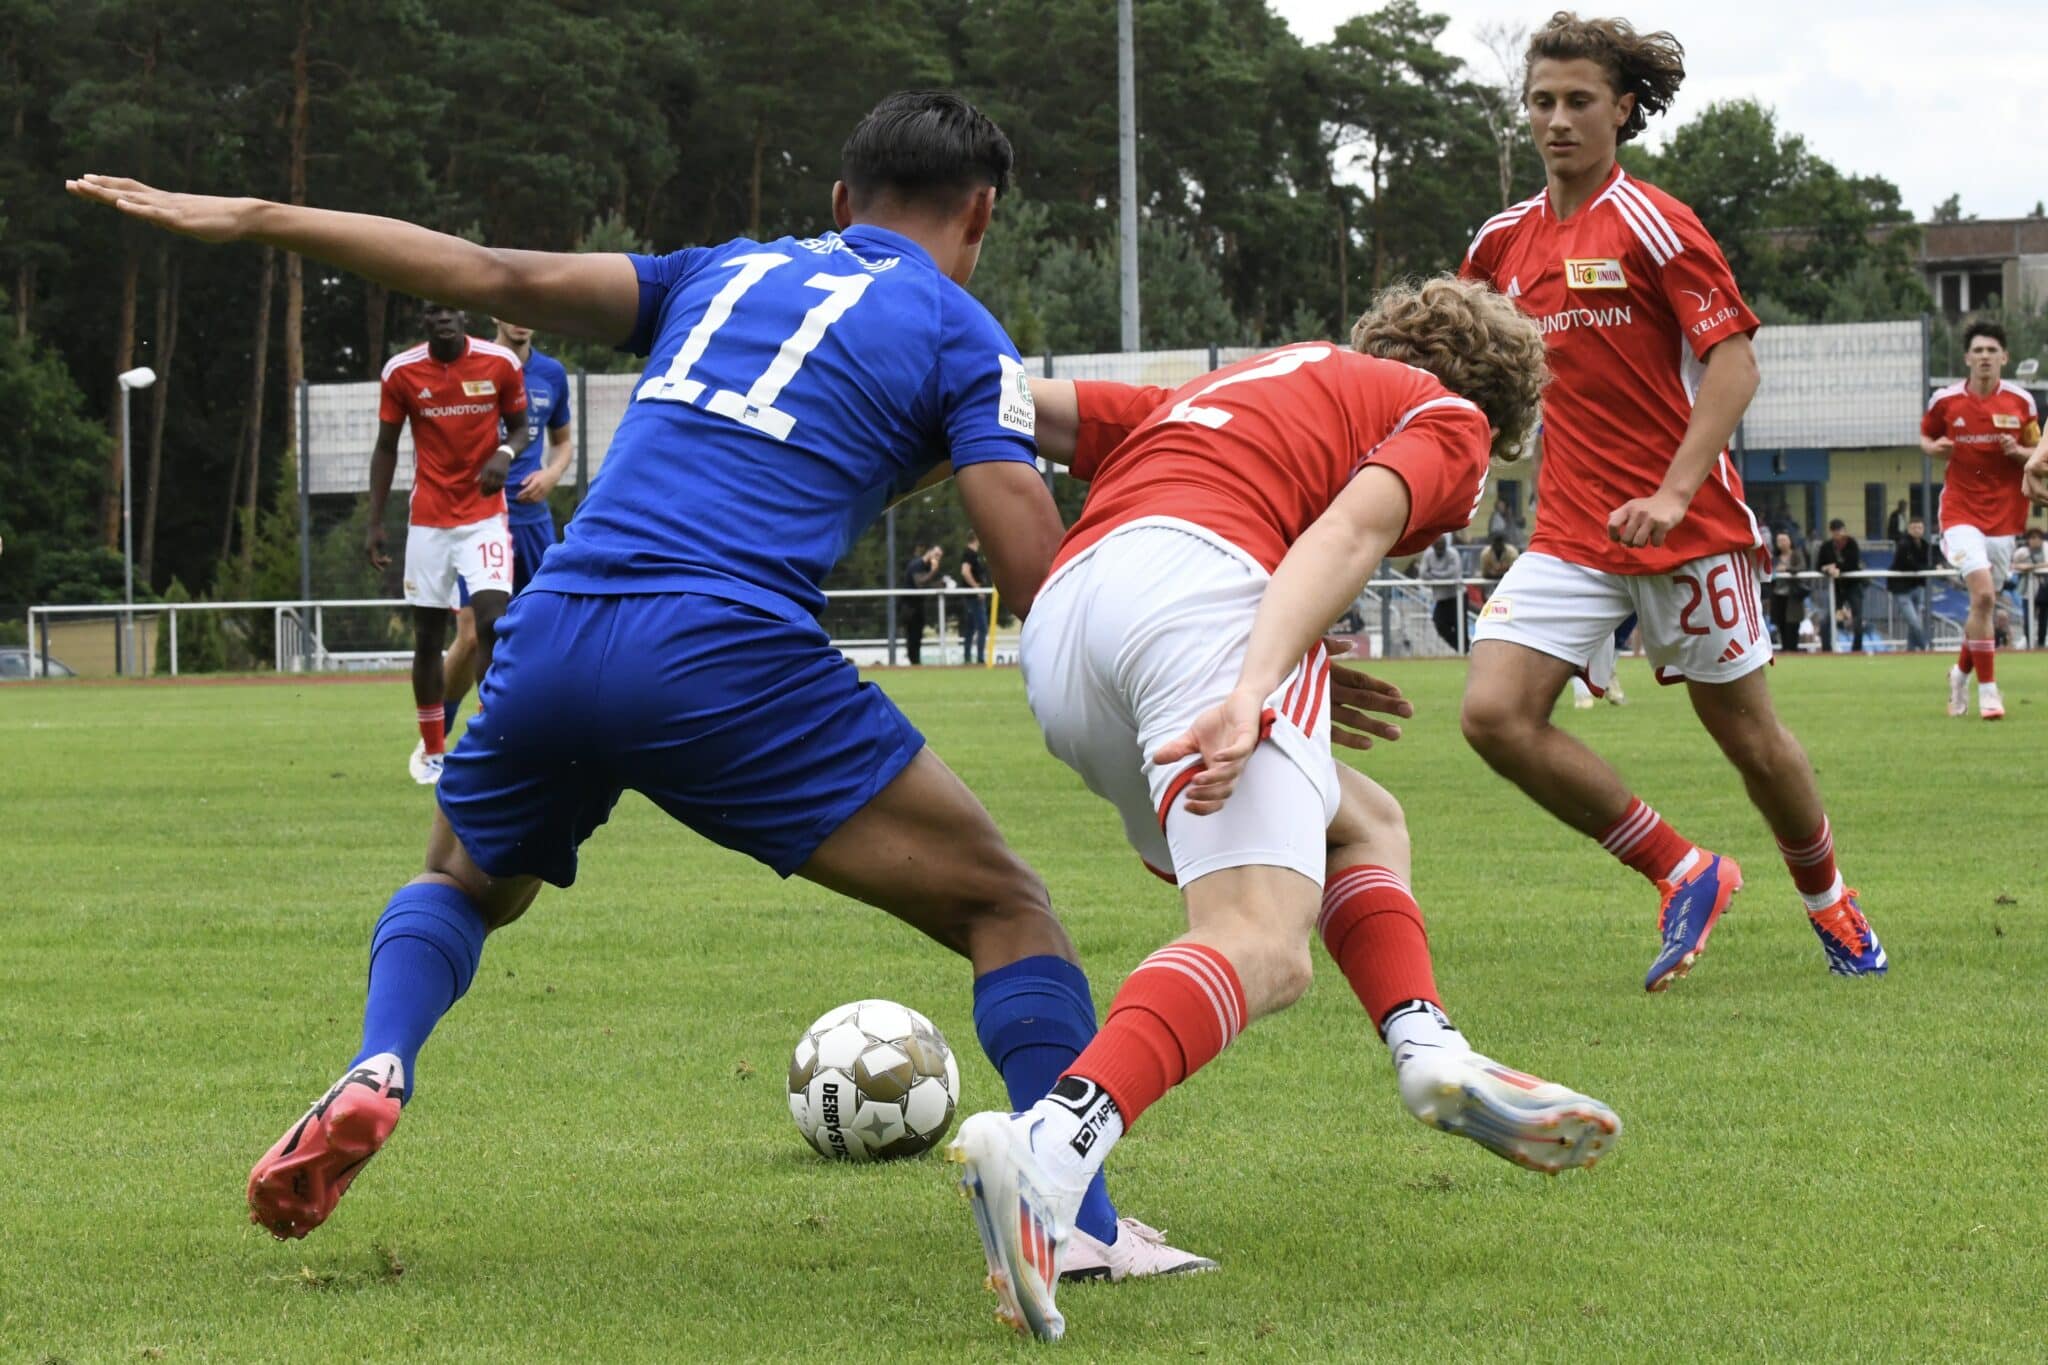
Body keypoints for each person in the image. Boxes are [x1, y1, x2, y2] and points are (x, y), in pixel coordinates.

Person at [70, 92, 1207, 1279]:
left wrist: (255, 213)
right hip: (721, 652)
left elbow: (482, 266)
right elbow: (1031, 565)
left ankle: (380, 1059)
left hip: (557, 630)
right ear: (981, 213)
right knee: (1005, 912)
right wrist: (1187, 688)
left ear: (836, 202)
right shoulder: (960, 333)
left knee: (462, 879)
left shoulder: (716, 272)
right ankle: (1075, 1230)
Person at [947, 278, 1619, 1344]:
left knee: (1364, 821)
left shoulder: (1239, 386)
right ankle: (1048, 1149)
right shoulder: (1443, 418)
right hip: (1203, 604)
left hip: (1065, 624)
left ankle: (1427, 1045)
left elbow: (1020, 403)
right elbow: (1351, 530)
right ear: (1494, 419)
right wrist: (1256, 683)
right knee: (1262, 945)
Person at [1455, 12, 1883, 988]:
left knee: (1748, 739)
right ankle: (1680, 868)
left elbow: (1731, 364)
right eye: (1540, 102)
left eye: (1577, 102)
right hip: (1569, 530)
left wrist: (1669, 489)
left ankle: (1832, 907)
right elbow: (1462, 368)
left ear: (1623, 109)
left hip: (1683, 528)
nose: (1555, 120)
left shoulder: (1652, 222)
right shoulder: (1499, 243)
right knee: (1491, 715)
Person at [368, 303, 530, 785]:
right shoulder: (401, 372)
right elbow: (385, 446)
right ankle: (435, 753)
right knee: (428, 637)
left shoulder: (500, 365)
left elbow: (520, 429)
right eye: (433, 312)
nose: (443, 319)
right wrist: (375, 521)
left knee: (491, 623)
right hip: (430, 522)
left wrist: (504, 452)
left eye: (451, 310)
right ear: (423, 321)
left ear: (466, 317)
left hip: (485, 517)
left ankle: (490, 741)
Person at [439, 317, 575, 741]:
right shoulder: (470, 364)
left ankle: (519, 732)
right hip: (478, 520)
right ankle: (435, 736)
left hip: (532, 523)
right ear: (495, 315)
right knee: (471, 634)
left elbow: (563, 442)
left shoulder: (551, 374)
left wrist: (552, 475)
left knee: (543, 629)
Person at [1922, 320, 2041, 719]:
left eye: (1993, 350)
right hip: (1959, 512)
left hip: (2007, 516)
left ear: (2004, 357)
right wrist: (1935, 447)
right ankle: (1990, 692)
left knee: (1982, 606)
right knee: (1985, 595)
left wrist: (2017, 452)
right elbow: (1926, 440)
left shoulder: (2022, 403)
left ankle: (1959, 674)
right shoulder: (1945, 400)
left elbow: (2038, 454)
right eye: (1979, 350)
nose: (1985, 357)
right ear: (1967, 358)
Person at [1814, 518, 1863, 652]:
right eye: (1836, 532)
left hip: (1853, 586)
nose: (1839, 535)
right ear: (1831, 532)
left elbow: (1854, 563)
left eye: (1841, 531)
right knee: (1826, 621)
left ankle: (1857, 650)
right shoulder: (1826, 546)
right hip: (1836, 589)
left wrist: (1837, 568)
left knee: (1857, 619)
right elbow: (1818, 565)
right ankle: (1827, 650)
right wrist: (1826, 569)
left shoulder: (1852, 543)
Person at [1889, 516, 1936, 651]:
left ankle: (1910, 650)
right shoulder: (1903, 544)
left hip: (1917, 587)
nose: (1917, 530)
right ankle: (1925, 647)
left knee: (1914, 622)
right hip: (1902, 588)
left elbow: (1924, 564)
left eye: (1920, 527)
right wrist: (1929, 568)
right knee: (1914, 621)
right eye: (1914, 527)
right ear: (1909, 529)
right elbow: (1908, 564)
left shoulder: (1925, 545)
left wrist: (1933, 566)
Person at [1416, 533, 1464, 650]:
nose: (1439, 550)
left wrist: (1433, 574)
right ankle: (1460, 648)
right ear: (1433, 546)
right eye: (1437, 547)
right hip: (1441, 598)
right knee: (1439, 624)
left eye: (1442, 547)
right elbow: (1422, 574)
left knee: (1461, 626)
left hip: (1456, 596)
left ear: (1445, 546)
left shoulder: (1452, 554)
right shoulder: (1428, 554)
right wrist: (1441, 575)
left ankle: (1464, 649)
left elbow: (1453, 573)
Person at [901, 543, 943, 665]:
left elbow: (928, 583)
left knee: (918, 636)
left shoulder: (927, 567)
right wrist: (934, 571)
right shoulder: (917, 565)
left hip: (919, 606)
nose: (937, 558)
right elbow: (920, 583)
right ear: (929, 552)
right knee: (912, 636)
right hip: (909, 607)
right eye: (936, 555)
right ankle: (913, 662)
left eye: (939, 556)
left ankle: (916, 662)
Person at [1768, 531, 1808, 651]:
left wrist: (1787, 569)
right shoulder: (1774, 558)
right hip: (1777, 596)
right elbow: (1768, 572)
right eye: (1779, 540)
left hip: (1793, 597)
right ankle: (1785, 650)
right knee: (1781, 625)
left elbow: (1802, 567)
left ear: (1790, 541)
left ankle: (1793, 650)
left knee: (1793, 625)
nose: (1782, 543)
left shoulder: (1797, 554)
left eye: (1784, 540)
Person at [959, 532, 989, 663]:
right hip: (973, 597)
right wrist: (977, 589)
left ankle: (968, 657)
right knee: (981, 627)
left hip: (975, 596)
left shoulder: (975, 555)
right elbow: (965, 571)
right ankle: (980, 658)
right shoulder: (969, 554)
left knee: (970, 628)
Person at [2020, 527, 2048, 648]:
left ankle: (2041, 643)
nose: (2034, 540)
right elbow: (2013, 564)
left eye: (2037, 537)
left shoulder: (2047, 548)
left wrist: (2033, 566)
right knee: (2027, 619)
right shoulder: (2022, 552)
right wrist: (2022, 567)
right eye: (2031, 538)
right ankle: (2029, 643)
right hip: (2028, 589)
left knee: (2043, 618)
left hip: (2044, 589)